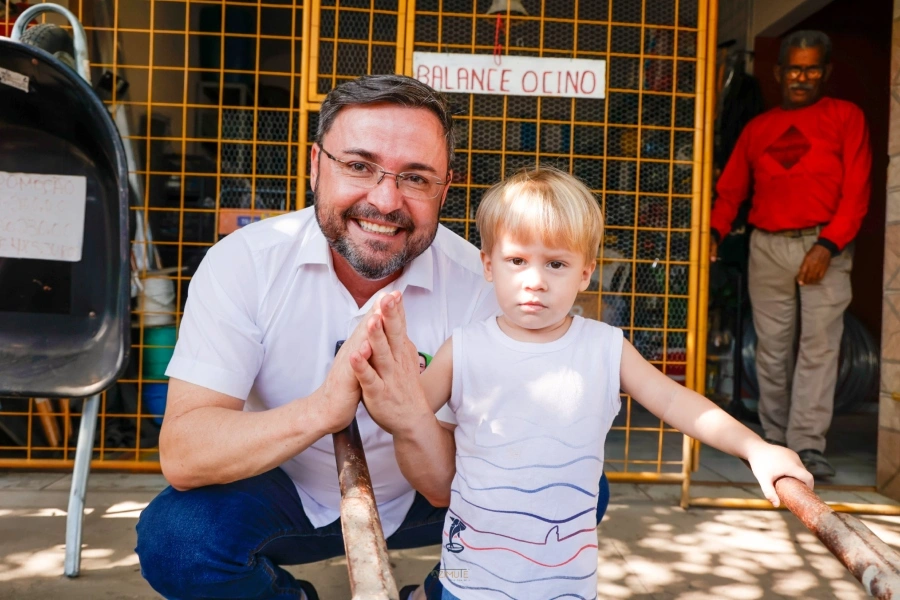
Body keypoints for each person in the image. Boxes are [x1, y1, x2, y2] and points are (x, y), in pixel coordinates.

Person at [134, 75, 609, 600]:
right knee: (177, 539)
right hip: (285, 492)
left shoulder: (487, 287)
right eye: (359, 166)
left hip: (427, 495)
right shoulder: (245, 263)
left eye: (416, 178)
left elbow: (452, 482)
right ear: (316, 165)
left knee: (570, 491)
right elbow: (183, 454)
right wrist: (323, 409)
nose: (385, 201)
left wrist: (409, 419)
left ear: (444, 190)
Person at [350, 167, 814, 599]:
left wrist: (756, 449)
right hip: (470, 572)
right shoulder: (464, 348)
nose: (535, 281)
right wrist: (387, 376)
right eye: (517, 260)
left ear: (585, 273)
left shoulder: (605, 348)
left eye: (556, 264)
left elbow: (676, 401)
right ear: (488, 265)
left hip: (565, 577)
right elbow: (405, 412)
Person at [709, 30, 871, 479]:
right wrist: (715, 231)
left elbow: (858, 191)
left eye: (812, 68)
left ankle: (808, 444)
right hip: (767, 245)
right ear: (778, 73)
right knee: (772, 350)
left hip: (825, 245)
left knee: (819, 348)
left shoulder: (845, 116)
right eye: (794, 68)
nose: (802, 77)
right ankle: (777, 443)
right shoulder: (757, 128)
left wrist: (828, 245)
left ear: (826, 72)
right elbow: (731, 191)